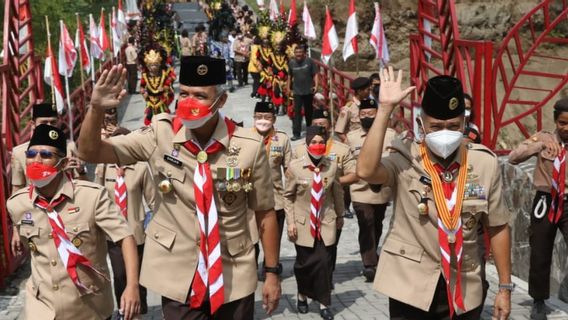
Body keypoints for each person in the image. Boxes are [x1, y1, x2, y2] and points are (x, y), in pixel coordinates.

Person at [77, 57, 281, 318]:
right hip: (178, 275)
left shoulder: (249, 146)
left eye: (199, 95)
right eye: (183, 93)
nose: (189, 102)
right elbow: (89, 151)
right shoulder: (160, 134)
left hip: (232, 274)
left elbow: (265, 211)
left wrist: (272, 273)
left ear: (221, 101)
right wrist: (95, 108)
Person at [357, 69, 512, 319]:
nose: (444, 133)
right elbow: (365, 170)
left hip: (465, 284)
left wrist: (505, 287)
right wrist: (385, 109)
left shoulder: (484, 163)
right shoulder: (405, 157)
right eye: (436, 126)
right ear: (421, 124)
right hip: (410, 284)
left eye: (452, 126)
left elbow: (498, 226)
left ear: (464, 123)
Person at [8, 124, 140, 320]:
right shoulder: (18, 204)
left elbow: (125, 237)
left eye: (45, 155)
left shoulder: (91, 197)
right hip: (42, 308)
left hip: (88, 306)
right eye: (31, 154)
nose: (37, 160)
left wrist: (132, 286)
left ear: (63, 163)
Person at [508, 97, 568, 320]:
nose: (566, 128)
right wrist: (539, 146)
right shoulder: (543, 138)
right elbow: (513, 157)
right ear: (556, 121)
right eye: (562, 123)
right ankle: (539, 301)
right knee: (540, 251)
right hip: (545, 200)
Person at [10, 104, 88, 255]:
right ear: (32, 124)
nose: (49, 126)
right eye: (44, 122)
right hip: (36, 216)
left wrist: (79, 169)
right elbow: (16, 190)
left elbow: (84, 183)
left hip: (68, 212)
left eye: (53, 122)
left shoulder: (68, 147)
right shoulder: (20, 153)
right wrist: (15, 229)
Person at [95, 127, 157, 316]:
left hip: (136, 232)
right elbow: (96, 197)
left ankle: (138, 311)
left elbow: (153, 201)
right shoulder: (103, 168)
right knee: (120, 274)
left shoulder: (140, 168)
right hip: (113, 234)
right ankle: (124, 311)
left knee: (137, 275)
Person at [284, 126, 344, 320]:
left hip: (326, 222)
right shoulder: (295, 167)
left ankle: (325, 303)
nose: (318, 146)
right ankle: (302, 295)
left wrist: (340, 216)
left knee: (325, 264)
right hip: (303, 224)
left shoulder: (332, 166)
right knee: (304, 264)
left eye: (321, 142)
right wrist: (291, 223)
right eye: (314, 142)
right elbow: (288, 197)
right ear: (307, 144)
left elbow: (337, 194)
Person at [292, 109, 358, 281]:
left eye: (323, 123)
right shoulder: (300, 150)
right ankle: (309, 284)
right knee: (306, 250)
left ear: (330, 125)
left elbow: (354, 174)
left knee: (329, 247)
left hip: (330, 207)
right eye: (316, 123)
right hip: (306, 209)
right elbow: (292, 177)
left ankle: (325, 281)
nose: (319, 126)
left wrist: (328, 182)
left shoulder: (341, 149)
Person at [345, 98, 396, 282]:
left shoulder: (390, 135)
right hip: (359, 189)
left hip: (382, 191)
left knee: (377, 223)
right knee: (365, 223)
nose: (367, 117)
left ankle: (372, 254)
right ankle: (369, 264)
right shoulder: (351, 138)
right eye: (363, 114)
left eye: (371, 113)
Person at [252, 101, 292, 278]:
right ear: (254, 118)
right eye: (259, 117)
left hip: (276, 199)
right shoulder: (245, 137)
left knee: (273, 236)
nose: (263, 120)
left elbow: (289, 170)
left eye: (267, 117)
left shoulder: (282, 139)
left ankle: (272, 267)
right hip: (251, 198)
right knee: (251, 238)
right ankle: (250, 268)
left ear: (274, 119)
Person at [287, 45, 319, 141]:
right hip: (297, 92)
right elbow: (289, 76)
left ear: (304, 53)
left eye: (300, 52)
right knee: (297, 114)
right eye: (296, 52)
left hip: (308, 91)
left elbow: (315, 74)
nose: (298, 54)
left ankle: (310, 132)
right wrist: (288, 88)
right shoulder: (291, 63)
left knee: (309, 112)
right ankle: (296, 133)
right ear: (294, 53)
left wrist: (316, 85)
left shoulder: (309, 62)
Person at [140, 48, 175, 125]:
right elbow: (142, 86)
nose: (153, 67)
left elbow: (169, 82)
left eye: (155, 64)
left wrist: (165, 88)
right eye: (151, 65)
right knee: (149, 118)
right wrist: (143, 92)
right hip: (150, 100)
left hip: (161, 99)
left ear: (159, 64)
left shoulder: (163, 73)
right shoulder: (145, 75)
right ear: (148, 66)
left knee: (164, 116)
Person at [335, 77, 371, 142]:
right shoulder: (348, 108)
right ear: (360, 91)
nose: (369, 92)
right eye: (368, 90)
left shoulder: (370, 105)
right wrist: (350, 143)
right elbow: (339, 131)